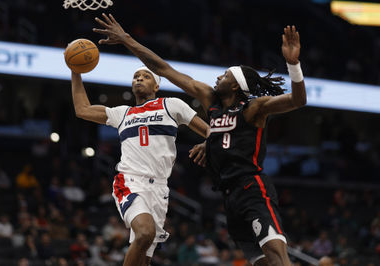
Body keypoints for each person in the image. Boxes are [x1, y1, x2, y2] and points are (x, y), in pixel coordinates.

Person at [93, 13, 306, 266]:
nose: (218, 77)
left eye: (225, 75)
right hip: (229, 195)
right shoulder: (211, 102)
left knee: (276, 256)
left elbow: (297, 100)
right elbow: (164, 69)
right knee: (260, 263)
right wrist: (127, 40)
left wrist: (293, 65)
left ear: (236, 86)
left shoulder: (253, 109)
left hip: (252, 188)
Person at [67, 55, 210, 265]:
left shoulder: (171, 105)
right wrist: (75, 70)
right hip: (130, 181)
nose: (139, 79)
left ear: (157, 84)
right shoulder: (123, 113)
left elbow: (209, 131)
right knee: (145, 233)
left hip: (160, 189)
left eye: (145, 76)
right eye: (135, 77)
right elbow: (82, 110)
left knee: (145, 259)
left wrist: (209, 143)